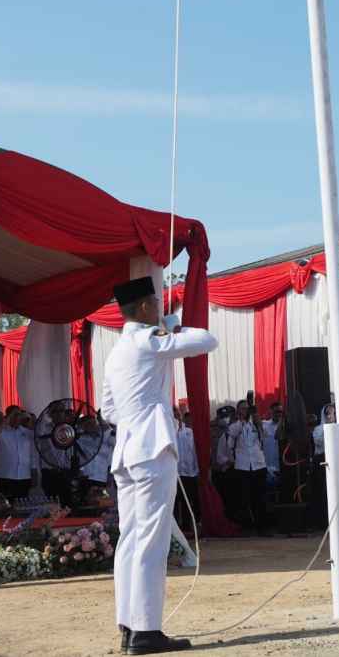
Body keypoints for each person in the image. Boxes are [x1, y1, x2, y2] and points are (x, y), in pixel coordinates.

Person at [101, 276, 218, 654]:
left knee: (130, 541)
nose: (161, 308)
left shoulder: (117, 350)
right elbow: (206, 340)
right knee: (150, 541)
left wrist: (137, 418)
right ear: (146, 309)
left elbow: (108, 409)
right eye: (157, 303)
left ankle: (129, 625)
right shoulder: (149, 342)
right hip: (152, 450)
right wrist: (174, 326)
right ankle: (147, 631)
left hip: (127, 452)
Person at [227, 401, 270, 534]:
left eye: (247, 408)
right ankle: (246, 527)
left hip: (258, 464)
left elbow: (264, 438)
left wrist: (259, 424)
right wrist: (242, 422)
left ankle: (262, 526)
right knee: (244, 498)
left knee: (261, 497)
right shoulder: (235, 426)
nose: (246, 411)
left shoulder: (256, 424)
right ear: (238, 410)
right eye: (243, 409)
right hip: (243, 466)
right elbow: (229, 443)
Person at [0, 407, 39, 500]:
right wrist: (6, 420)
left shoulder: (26, 433)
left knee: (22, 507)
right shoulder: (1, 431)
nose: (17, 417)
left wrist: (34, 471)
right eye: (14, 415)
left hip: (24, 476)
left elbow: (33, 453)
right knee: (6, 508)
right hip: (5, 476)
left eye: (19, 414)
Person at [174, 409, 200, 532]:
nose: (176, 417)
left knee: (188, 501)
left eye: (177, 415)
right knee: (174, 501)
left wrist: (197, 469)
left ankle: (187, 526)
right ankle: (175, 528)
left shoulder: (189, 432)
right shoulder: (168, 432)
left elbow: (194, 452)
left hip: (189, 472)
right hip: (174, 473)